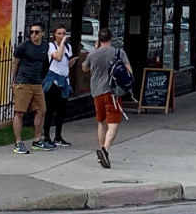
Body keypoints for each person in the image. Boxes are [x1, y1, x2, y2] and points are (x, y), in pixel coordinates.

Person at [84, 26, 130, 169]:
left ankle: (101, 150)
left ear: (99, 39)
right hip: (112, 93)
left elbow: (84, 68)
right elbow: (129, 71)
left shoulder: (92, 54)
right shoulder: (118, 52)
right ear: (111, 38)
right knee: (113, 124)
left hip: (96, 92)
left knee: (101, 122)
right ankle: (105, 150)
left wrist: (96, 49)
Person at [11, 23, 50, 155]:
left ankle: (37, 140)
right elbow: (15, 62)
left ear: (42, 33)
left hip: (37, 82)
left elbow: (45, 63)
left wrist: (42, 77)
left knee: (41, 110)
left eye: (36, 32)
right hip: (23, 82)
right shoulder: (23, 47)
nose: (33, 34)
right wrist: (14, 81)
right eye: (32, 32)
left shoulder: (45, 46)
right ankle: (18, 142)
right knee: (20, 112)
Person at [42, 26, 74, 148]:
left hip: (64, 80)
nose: (62, 36)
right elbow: (58, 57)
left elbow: (65, 62)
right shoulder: (51, 46)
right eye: (59, 33)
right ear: (54, 35)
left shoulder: (68, 47)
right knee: (50, 110)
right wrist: (61, 44)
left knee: (61, 110)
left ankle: (58, 136)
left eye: (64, 33)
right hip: (53, 81)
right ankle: (46, 136)